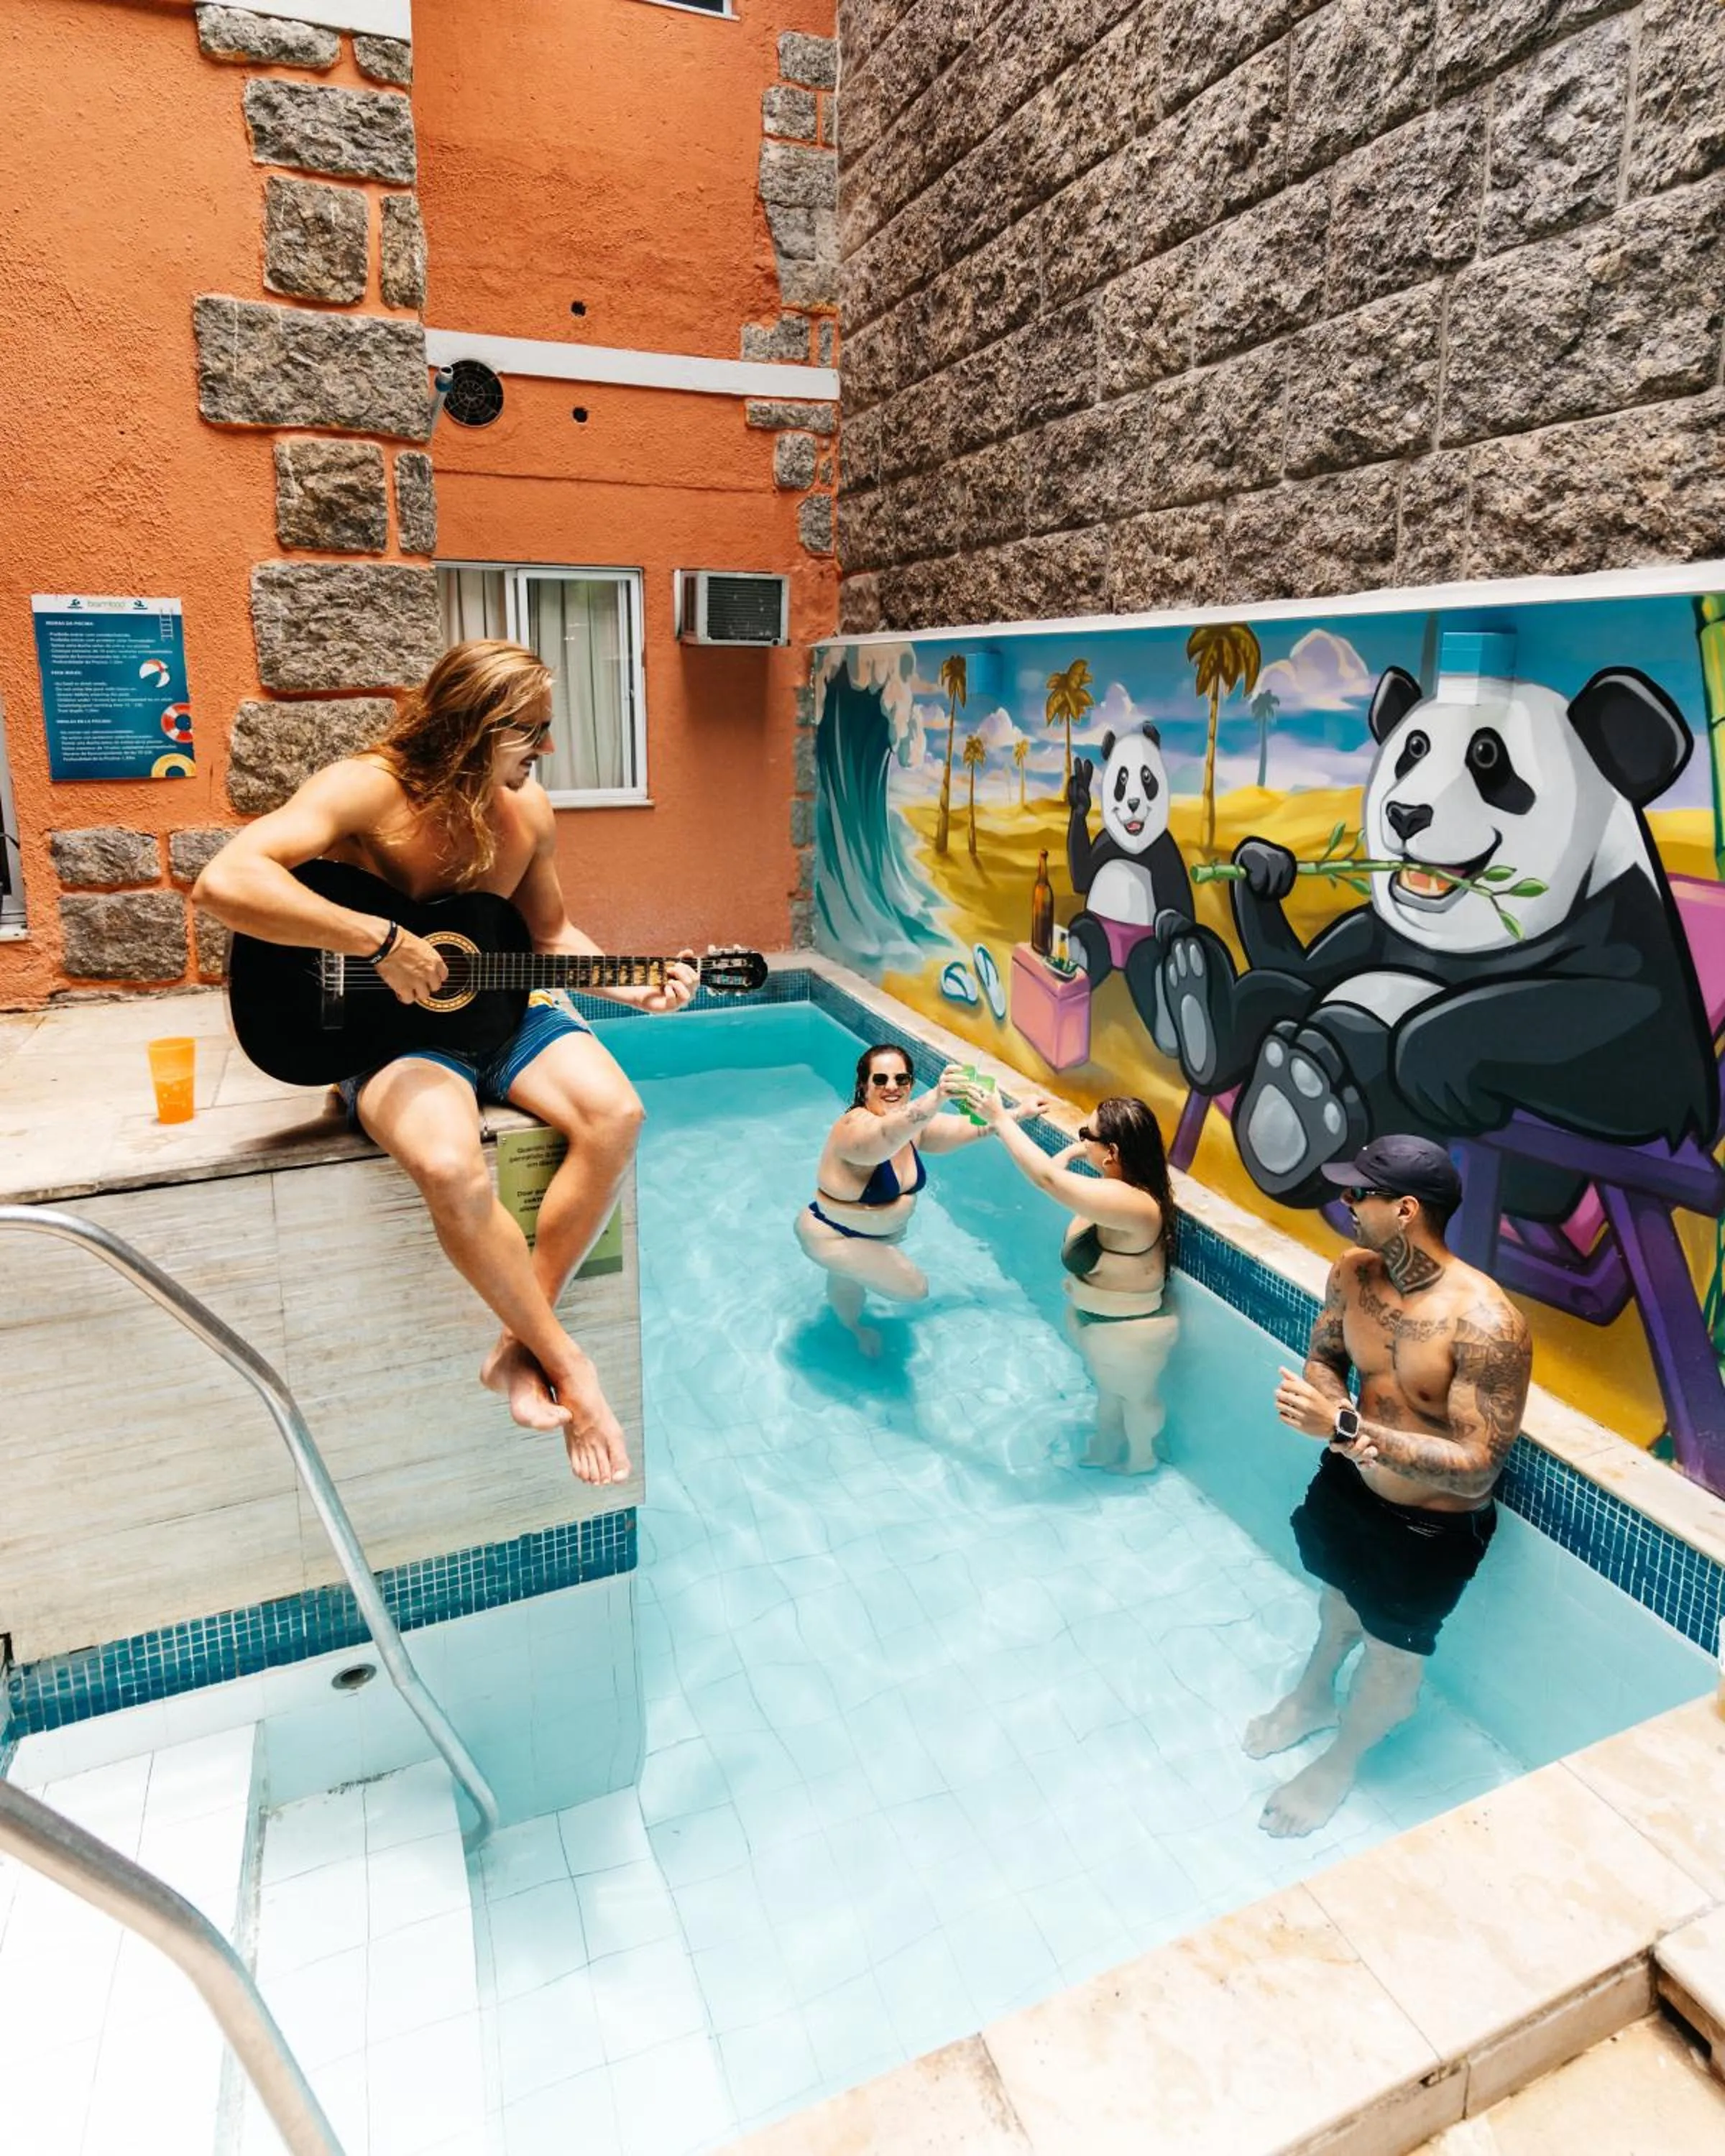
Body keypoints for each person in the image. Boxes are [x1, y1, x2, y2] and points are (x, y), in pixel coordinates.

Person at [195, 640, 696, 1487]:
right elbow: (224, 882)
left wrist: (630, 981)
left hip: (505, 1015)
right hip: (390, 1030)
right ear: (471, 728)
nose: (548, 751)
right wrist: (378, 939)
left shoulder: (527, 813)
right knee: (449, 1165)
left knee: (617, 1116)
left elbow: (546, 939)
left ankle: (518, 1345)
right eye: (531, 732)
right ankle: (570, 1363)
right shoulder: (367, 789)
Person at [1246, 1134, 1532, 1838]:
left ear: (1404, 1209)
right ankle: (1314, 1692)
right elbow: (1325, 1356)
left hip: (1426, 1530)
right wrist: (1329, 1413)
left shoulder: (1486, 1323)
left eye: (1356, 1194)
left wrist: (1346, 1431)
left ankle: (1342, 1758)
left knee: (1393, 1652)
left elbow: (1480, 1463)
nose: (1343, 1203)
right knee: (1337, 1596)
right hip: (1349, 1489)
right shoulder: (1352, 1274)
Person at [960, 1087, 1178, 1473]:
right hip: (1105, 1327)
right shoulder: (1114, 1191)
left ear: (1113, 1153)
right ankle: (1108, 1444)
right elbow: (1052, 1179)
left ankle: (1143, 1458)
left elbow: (1047, 1180)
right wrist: (1081, 1150)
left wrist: (1001, 1118)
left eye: (1086, 1134)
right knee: (1110, 1393)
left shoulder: (1134, 1205)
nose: (1080, 1138)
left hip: (1131, 1333)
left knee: (1135, 1397)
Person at [795, 1045, 1026, 1354]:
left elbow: (968, 1128)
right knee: (914, 1289)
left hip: (868, 1238)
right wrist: (937, 1097)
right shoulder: (854, 1129)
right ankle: (850, 1318)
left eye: (901, 1079)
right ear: (864, 1086)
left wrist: (1017, 1115)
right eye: (881, 1080)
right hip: (831, 1237)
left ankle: (851, 1327)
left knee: (849, 1277)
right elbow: (886, 1137)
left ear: (911, 1084)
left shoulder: (914, 1128)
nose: (892, 1087)